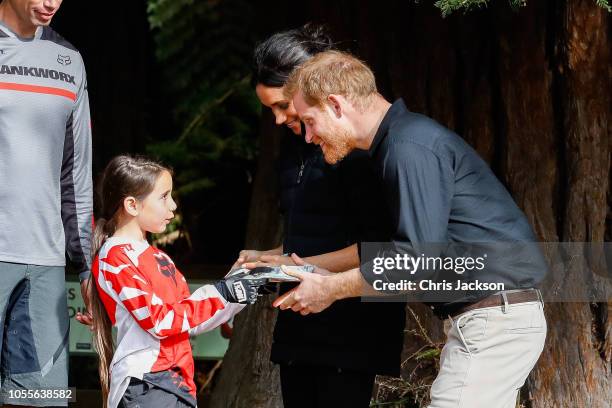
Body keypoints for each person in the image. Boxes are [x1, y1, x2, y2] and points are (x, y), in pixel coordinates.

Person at [279, 50, 548, 408]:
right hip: (490, 317)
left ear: (336, 104)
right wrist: (306, 266)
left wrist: (330, 289)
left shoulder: (408, 147)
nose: (309, 136)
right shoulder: (400, 144)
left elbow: (415, 260)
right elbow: (397, 251)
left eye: (310, 121)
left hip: (494, 320)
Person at [237, 25, 405, 407]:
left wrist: (293, 266)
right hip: (300, 328)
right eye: (271, 111)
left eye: (284, 106)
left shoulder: (354, 149)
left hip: (348, 331)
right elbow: (314, 233)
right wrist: (269, 258)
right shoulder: (296, 149)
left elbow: (377, 245)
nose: (279, 120)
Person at [90, 156, 267, 408]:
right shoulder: (115, 256)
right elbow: (159, 321)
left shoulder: (159, 256)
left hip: (177, 380)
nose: (173, 206)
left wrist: (239, 287)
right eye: (164, 197)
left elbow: (187, 320)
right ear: (132, 204)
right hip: (147, 382)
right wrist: (222, 293)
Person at [0, 1, 93, 406]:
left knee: (45, 398)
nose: (51, 1)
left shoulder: (68, 60)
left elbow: (77, 171)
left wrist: (88, 263)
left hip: (45, 264)